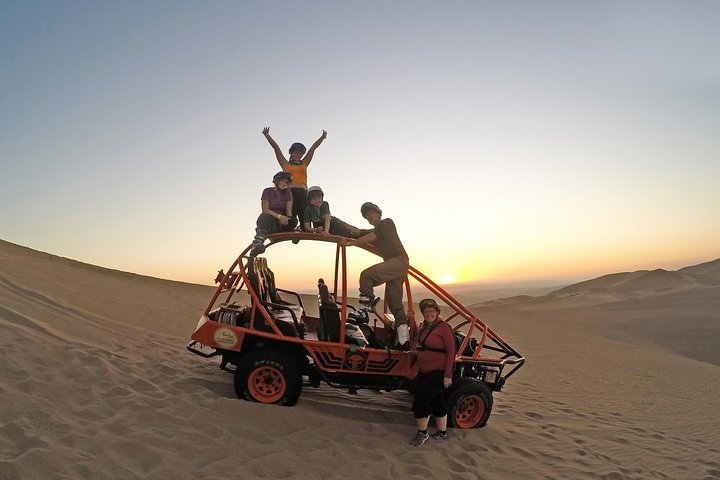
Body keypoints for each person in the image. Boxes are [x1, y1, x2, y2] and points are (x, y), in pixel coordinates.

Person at [344, 202, 410, 348]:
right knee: (394, 303)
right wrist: (336, 222)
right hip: (395, 265)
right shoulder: (374, 230)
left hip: (398, 261)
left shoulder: (386, 223)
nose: (368, 217)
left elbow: (371, 237)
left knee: (366, 275)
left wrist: (351, 244)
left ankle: (365, 310)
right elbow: (356, 231)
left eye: (370, 214)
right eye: (366, 216)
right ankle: (404, 341)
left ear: (377, 212)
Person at [410, 298, 455, 447]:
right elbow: (420, 343)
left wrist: (448, 375)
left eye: (431, 311)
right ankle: (442, 433)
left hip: (438, 372)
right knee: (438, 401)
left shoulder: (444, 328)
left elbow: (451, 351)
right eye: (426, 312)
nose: (429, 314)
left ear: (437, 312)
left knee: (421, 401)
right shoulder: (425, 327)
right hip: (424, 371)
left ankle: (422, 433)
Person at [262, 127, 327, 227]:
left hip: (303, 191)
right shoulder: (285, 164)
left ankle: (305, 228)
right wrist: (267, 135)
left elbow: (312, 149)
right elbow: (276, 148)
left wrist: (322, 138)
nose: (298, 155)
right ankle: (289, 227)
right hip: (289, 191)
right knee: (291, 211)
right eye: (296, 152)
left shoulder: (304, 163)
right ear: (291, 153)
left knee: (304, 212)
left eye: (300, 153)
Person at [249, 171, 298, 256]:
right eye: (283, 181)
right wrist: (279, 217)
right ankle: (258, 242)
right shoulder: (267, 191)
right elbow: (265, 210)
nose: (284, 184)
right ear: (277, 181)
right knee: (267, 217)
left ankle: (291, 232)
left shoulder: (288, 193)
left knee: (293, 220)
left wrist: (287, 219)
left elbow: (288, 212)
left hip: (280, 221)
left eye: (287, 182)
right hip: (268, 218)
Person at [303, 186, 368, 238]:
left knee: (350, 231)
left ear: (322, 198)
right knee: (345, 235)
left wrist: (326, 232)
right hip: (321, 227)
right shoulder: (308, 210)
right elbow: (307, 227)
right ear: (310, 200)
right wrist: (315, 230)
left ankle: (366, 234)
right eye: (314, 198)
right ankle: (363, 237)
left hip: (333, 223)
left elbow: (327, 218)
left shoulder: (324, 204)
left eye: (319, 198)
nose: (317, 200)